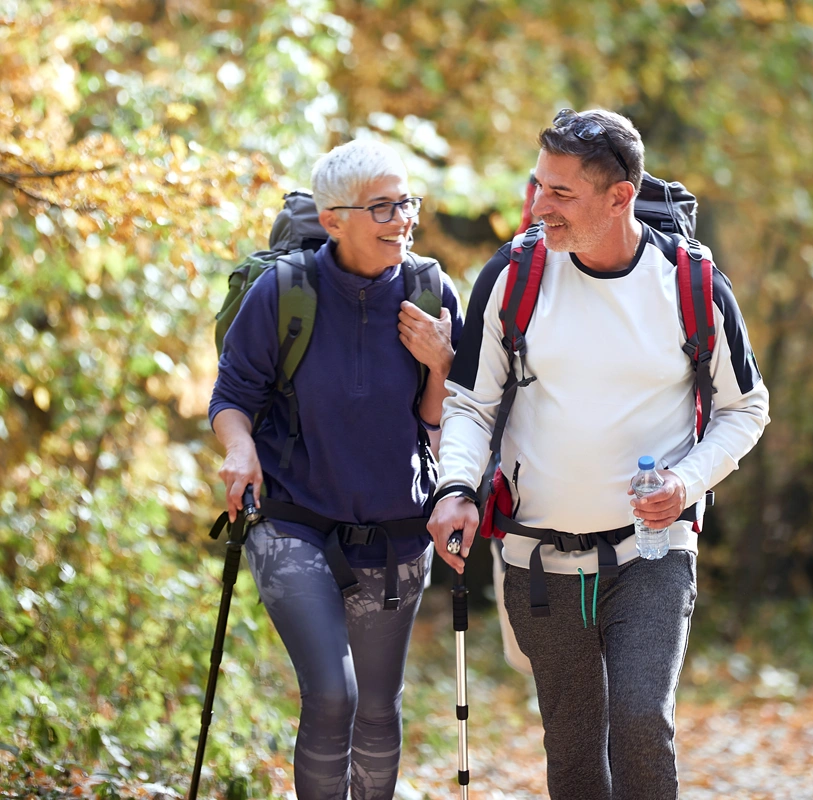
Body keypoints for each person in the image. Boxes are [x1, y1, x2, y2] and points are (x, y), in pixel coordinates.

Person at [427, 108, 770, 800]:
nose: (536, 207)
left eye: (560, 193)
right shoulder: (514, 278)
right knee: (577, 750)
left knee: (641, 720)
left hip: (651, 551)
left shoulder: (690, 285)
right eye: (536, 185)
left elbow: (745, 409)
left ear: (619, 197)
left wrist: (686, 479)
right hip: (539, 561)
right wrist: (457, 487)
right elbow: (469, 403)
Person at [209, 138, 463, 800]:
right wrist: (239, 449)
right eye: (382, 207)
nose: (402, 219)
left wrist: (440, 364)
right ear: (334, 221)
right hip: (293, 523)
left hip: (396, 531)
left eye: (407, 202)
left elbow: (442, 427)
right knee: (332, 695)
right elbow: (233, 398)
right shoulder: (283, 294)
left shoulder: (430, 291)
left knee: (379, 708)